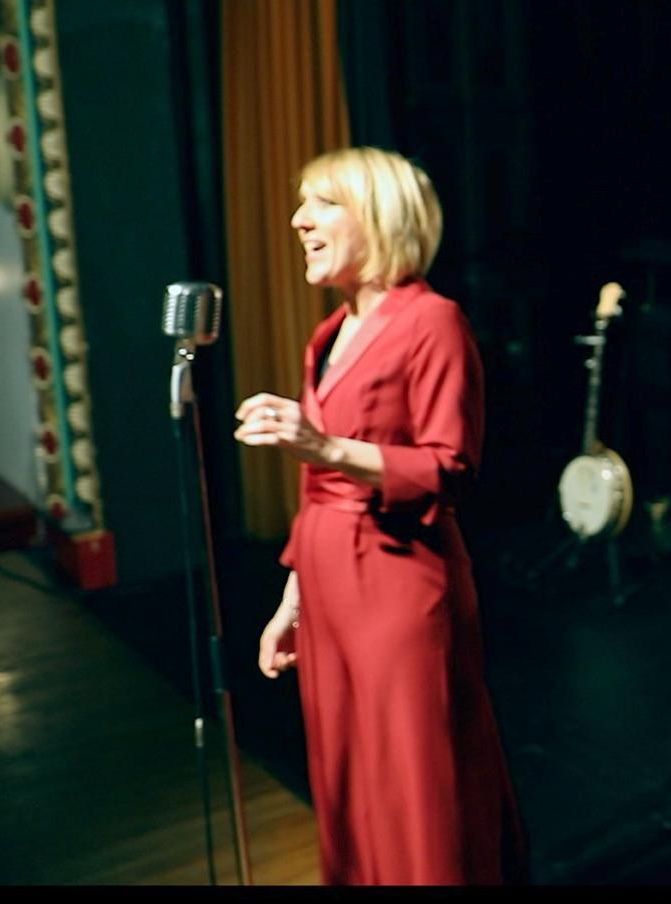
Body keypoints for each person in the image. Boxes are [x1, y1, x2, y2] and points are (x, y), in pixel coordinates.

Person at [234, 147, 528, 885]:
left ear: (380, 214)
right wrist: (292, 599)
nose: (300, 220)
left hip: (398, 584)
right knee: (346, 776)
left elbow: (448, 466)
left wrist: (322, 441)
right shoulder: (327, 337)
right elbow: (317, 487)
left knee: (413, 780)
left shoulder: (434, 321)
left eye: (322, 203)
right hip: (328, 586)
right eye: (302, 204)